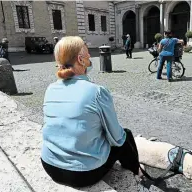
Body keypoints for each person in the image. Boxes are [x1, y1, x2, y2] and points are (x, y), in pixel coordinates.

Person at [41, 36, 144, 188]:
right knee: (125, 135)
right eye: (87, 52)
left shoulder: (50, 89)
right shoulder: (97, 92)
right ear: (80, 59)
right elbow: (117, 137)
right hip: (82, 174)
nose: (90, 56)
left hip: (49, 165)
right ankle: (137, 172)